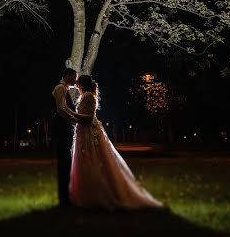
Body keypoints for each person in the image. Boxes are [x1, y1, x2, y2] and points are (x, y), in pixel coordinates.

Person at [69, 74, 162, 209]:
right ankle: (86, 193)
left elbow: (88, 118)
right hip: (83, 132)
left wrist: (72, 114)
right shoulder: (84, 96)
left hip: (89, 132)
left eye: (78, 85)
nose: (76, 87)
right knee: (84, 160)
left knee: (92, 159)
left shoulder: (88, 96)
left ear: (82, 85)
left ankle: (97, 194)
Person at [51, 67, 78, 207]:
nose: (75, 80)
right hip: (62, 129)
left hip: (65, 128)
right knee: (64, 162)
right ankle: (64, 198)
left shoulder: (65, 89)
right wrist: (75, 120)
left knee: (66, 162)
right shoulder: (60, 89)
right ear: (66, 76)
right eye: (73, 77)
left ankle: (66, 196)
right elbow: (61, 109)